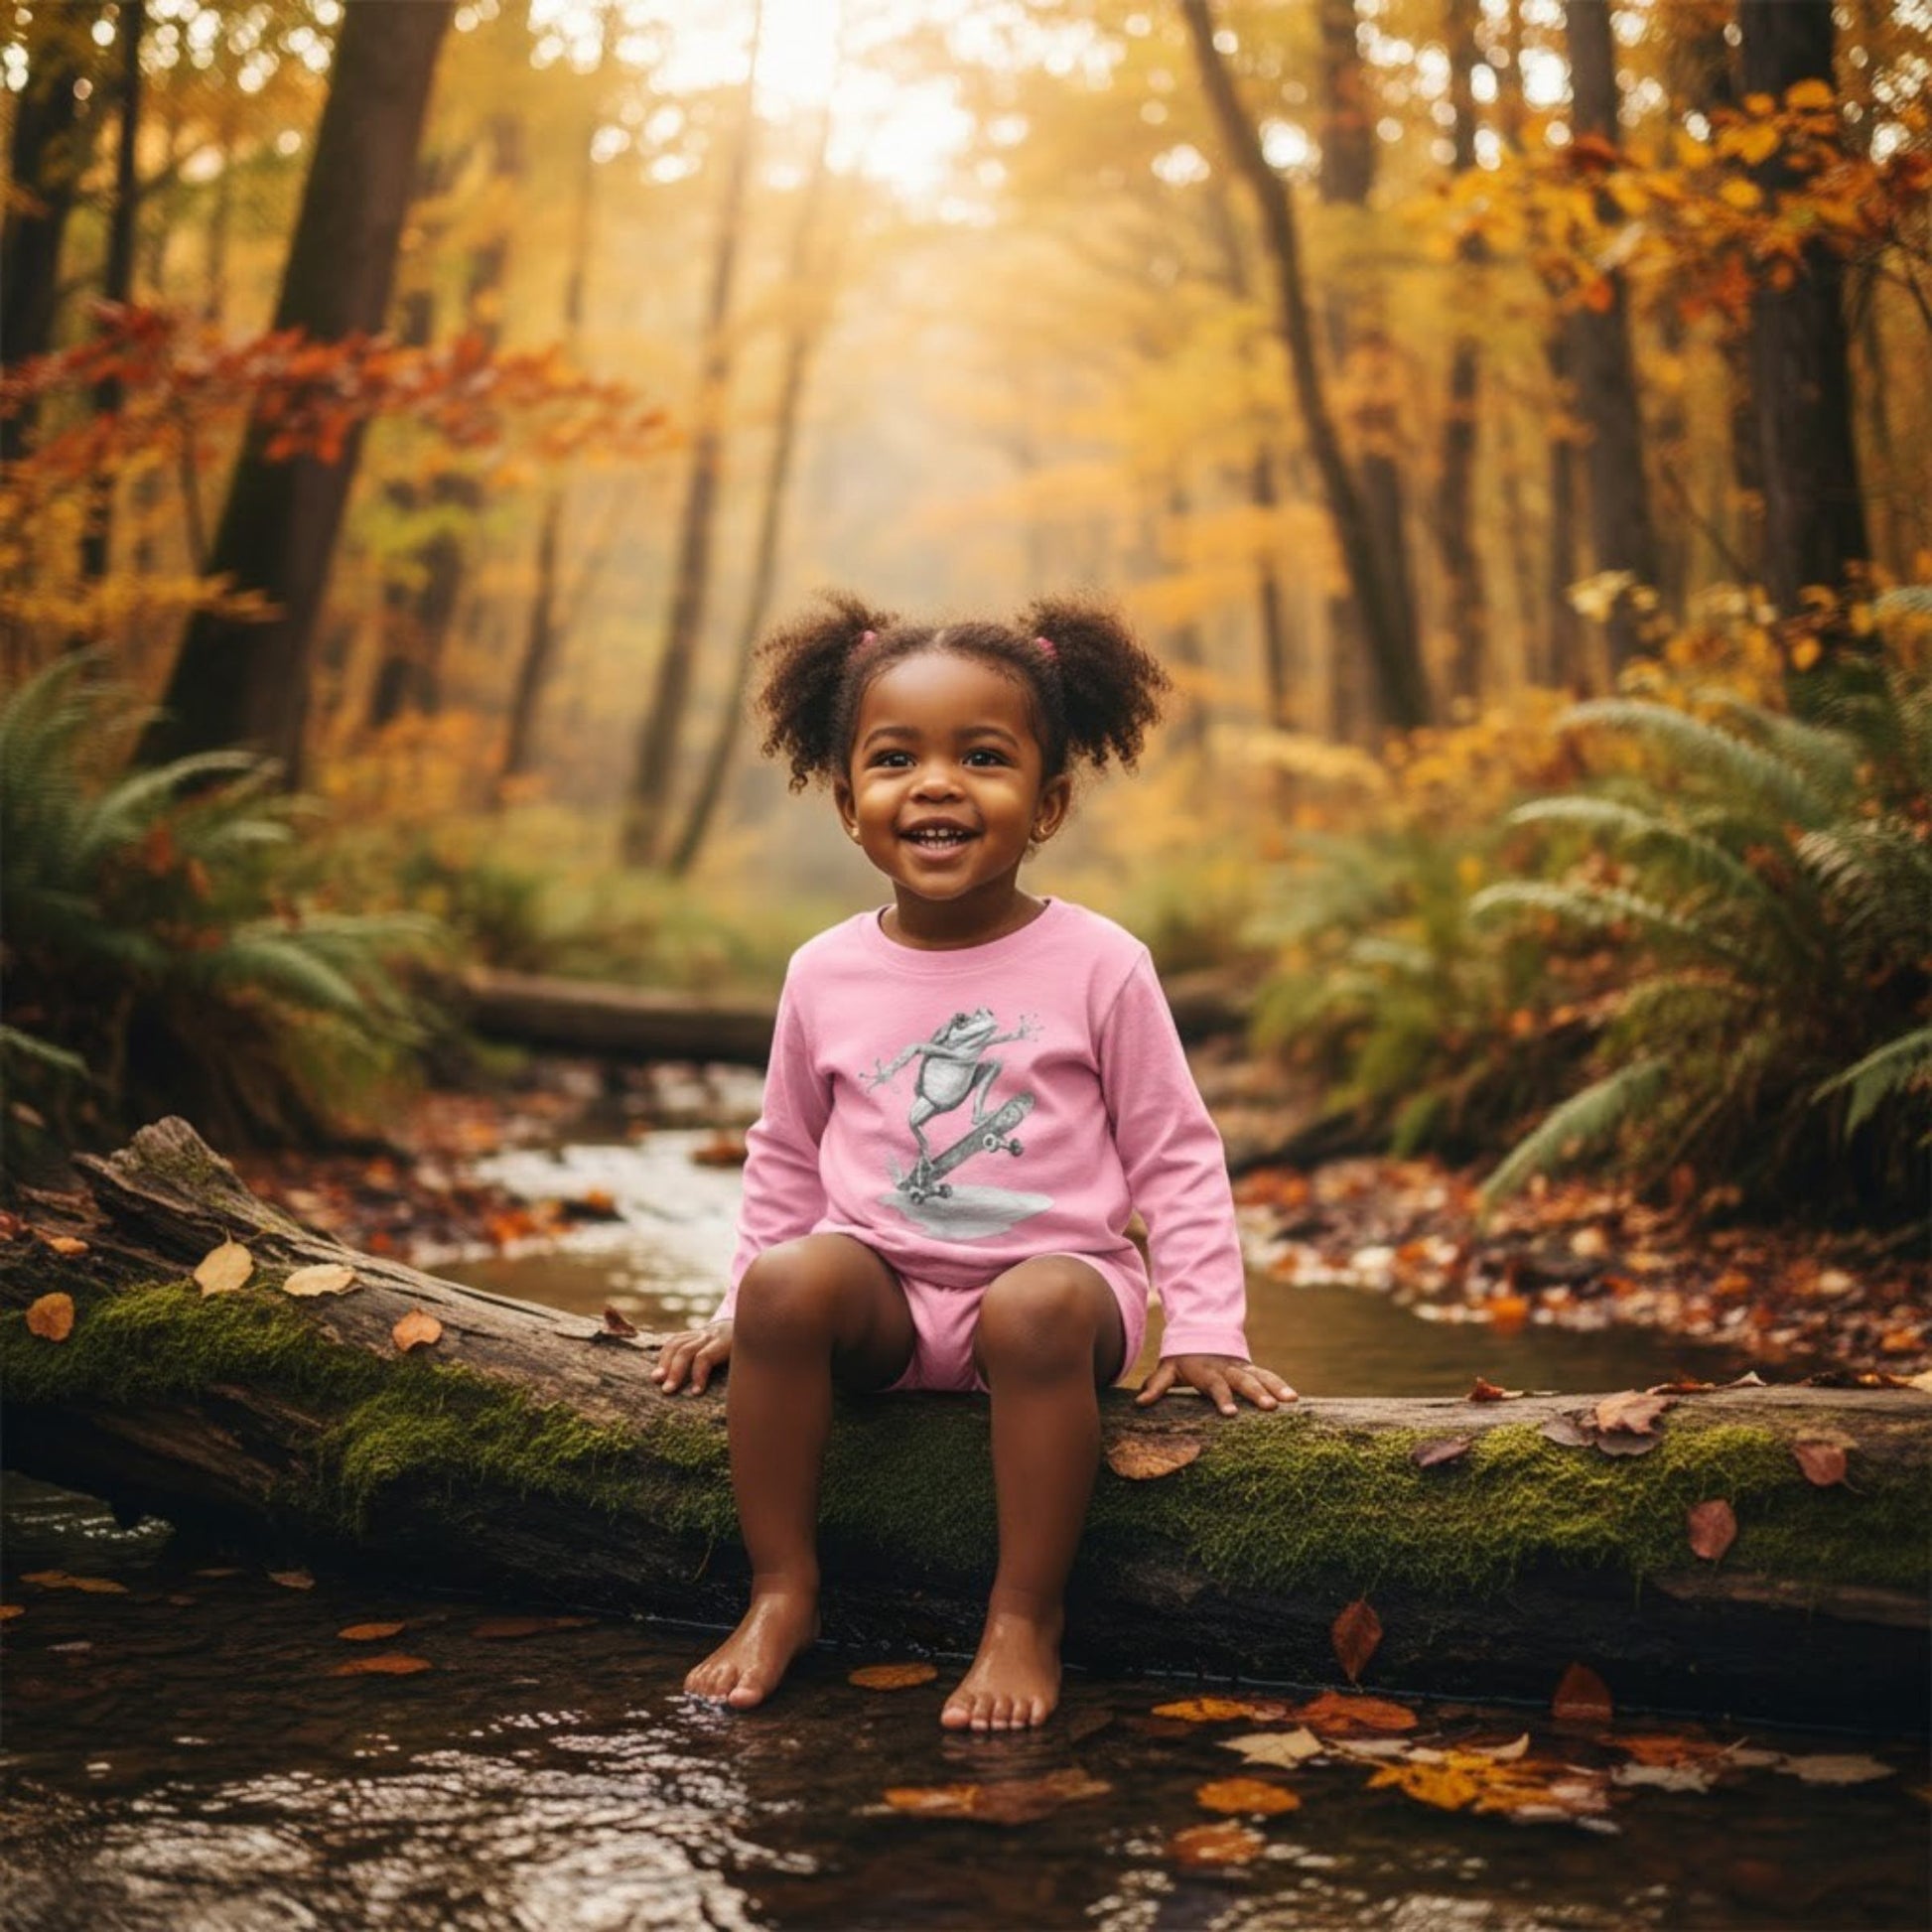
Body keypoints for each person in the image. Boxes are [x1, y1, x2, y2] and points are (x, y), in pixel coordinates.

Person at [652, 590, 1296, 1731]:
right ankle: (780, 1587)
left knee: (1034, 1303)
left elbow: (1174, 1154)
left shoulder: (1100, 963)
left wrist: (1203, 1325)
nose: (937, 783)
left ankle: (1020, 1614)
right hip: (884, 1295)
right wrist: (733, 1309)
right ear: (848, 803)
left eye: (982, 757)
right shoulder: (822, 971)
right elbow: (786, 1153)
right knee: (785, 1283)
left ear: (1045, 803)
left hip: (1055, 1301)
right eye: (896, 758)